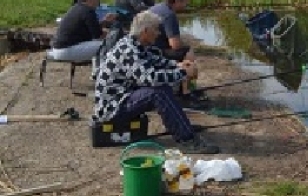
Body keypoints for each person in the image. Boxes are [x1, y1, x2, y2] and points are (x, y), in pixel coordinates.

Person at [92, 11, 219, 154]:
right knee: (158, 92)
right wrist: (183, 73)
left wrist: (178, 65)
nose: (159, 33)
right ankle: (187, 140)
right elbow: (150, 78)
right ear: (145, 31)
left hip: (122, 97)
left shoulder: (133, 42)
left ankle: (181, 126)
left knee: (162, 88)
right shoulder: (129, 50)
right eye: (156, 29)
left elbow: (154, 60)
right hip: (112, 108)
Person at [50, 0, 116, 62]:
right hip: (67, 50)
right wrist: (115, 35)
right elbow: (98, 36)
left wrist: (104, 22)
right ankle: (103, 71)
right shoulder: (88, 12)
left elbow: (91, 28)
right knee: (109, 45)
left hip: (59, 49)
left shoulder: (77, 7)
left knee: (105, 43)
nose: (99, 1)